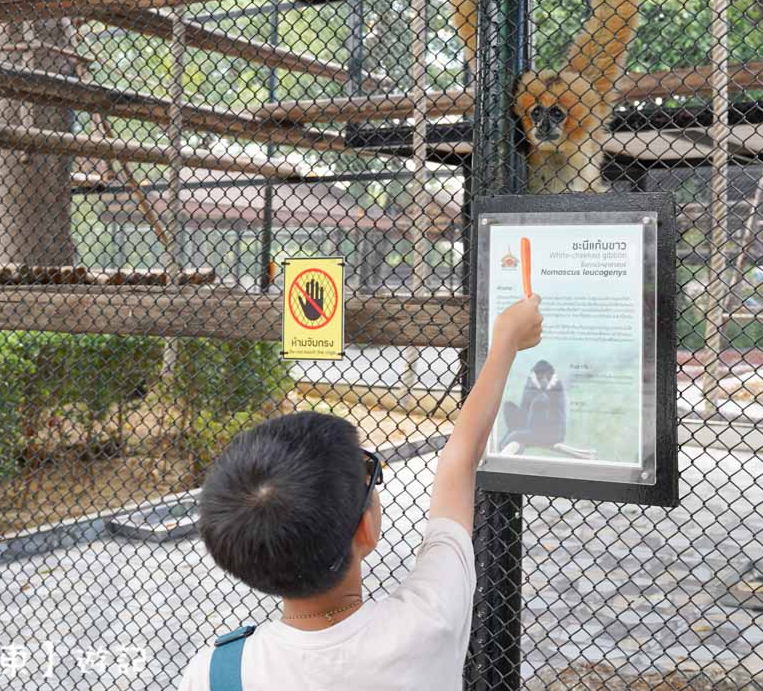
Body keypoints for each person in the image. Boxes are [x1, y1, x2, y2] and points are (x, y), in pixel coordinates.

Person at [176, 294, 544, 691]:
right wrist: (506, 339)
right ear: (365, 529)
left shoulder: (215, 672)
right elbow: (460, 457)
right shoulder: (428, 624)